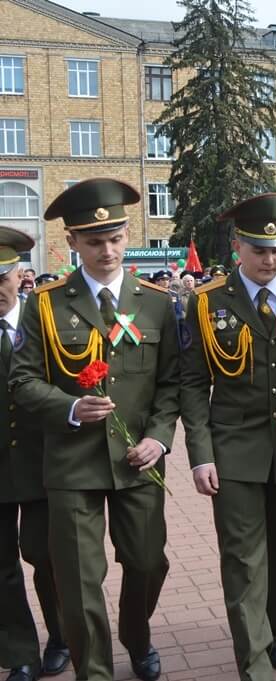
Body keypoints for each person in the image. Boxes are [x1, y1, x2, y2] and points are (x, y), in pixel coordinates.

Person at [10, 179, 179, 681]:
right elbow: (21, 379)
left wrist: (159, 437)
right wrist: (67, 406)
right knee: (80, 580)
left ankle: (137, 636)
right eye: (94, 240)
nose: (107, 250)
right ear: (72, 243)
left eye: (116, 238)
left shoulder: (154, 301)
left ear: (127, 236)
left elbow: (172, 382)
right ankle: (96, 672)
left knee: (149, 563)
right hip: (72, 463)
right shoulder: (46, 304)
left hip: (138, 460)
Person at [179, 194, 276, 679]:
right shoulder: (207, 303)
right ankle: (254, 661)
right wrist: (200, 456)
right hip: (234, 450)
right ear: (237, 246)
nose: (270, 259)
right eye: (259, 249)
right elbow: (192, 383)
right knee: (244, 558)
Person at [0, 227, 70, 681]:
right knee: (2, 566)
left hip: (47, 461)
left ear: (18, 276)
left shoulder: (45, 320)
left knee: (46, 555)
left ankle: (61, 635)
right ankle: (19, 652)